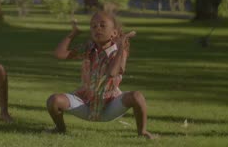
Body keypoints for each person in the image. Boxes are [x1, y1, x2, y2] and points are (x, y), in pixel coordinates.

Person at [46, 11, 154, 139]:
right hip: (85, 104)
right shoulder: (88, 48)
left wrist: (121, 47)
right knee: (54, 100)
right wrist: (73, 34)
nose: (97, 28)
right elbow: (60, 54)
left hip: (110, 106)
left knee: (137, 96)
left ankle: (142, 132)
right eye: (93, 26)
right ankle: (60, 129)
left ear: (114, 33)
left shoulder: (119, 51)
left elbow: (112, 73)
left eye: (102, 25)